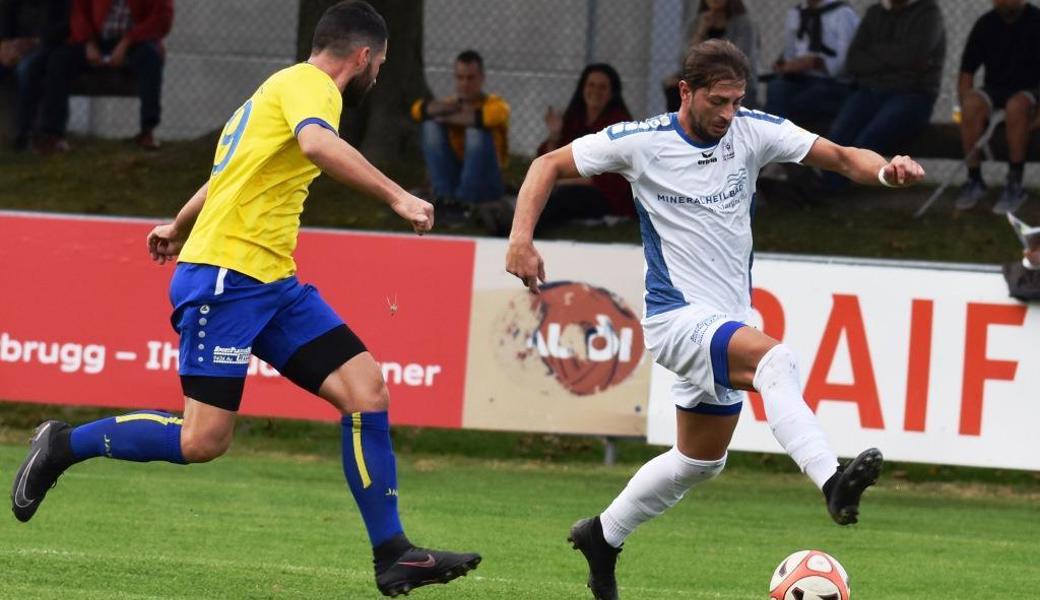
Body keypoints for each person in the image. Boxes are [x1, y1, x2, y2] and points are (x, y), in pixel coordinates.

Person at [10, 2, 480, 596]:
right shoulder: (313, 87)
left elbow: (226, 175)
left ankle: (394, 554)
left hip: (271, 282)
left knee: (367, 390)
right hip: (227, 281)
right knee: (202, 440)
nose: (377, 76)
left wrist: (178, 225)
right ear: (362, 57)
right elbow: (316, 146)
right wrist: (398, 197)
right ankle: (62, 444)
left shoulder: (273, 91)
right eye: (380, 66)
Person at [506, 39, 924, 600]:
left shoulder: (752, 130)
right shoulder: (641, 141)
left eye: (736, 101)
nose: (728, 114)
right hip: (676, 320)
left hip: (726, 319)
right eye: (718, 101)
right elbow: (546, 165)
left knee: (699, 461)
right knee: (776, 360)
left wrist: (886, 173)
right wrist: (521, 239)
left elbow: (847, 158)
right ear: (686, 91)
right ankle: (831, 481)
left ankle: (603, 535)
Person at [822, 0, 945, 189]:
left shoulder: (929, 13)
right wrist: (896, 59)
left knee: (869, 139)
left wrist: (874, 54)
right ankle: (828, 189)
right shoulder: (875, 12)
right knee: (838, 134)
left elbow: (913, 58)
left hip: (913, 95)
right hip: (870, 91)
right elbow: (854, 60)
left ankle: (840, 190)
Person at [37, 0, 173, 154]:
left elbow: (162, 19)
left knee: (151, 59)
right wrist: (87, 42)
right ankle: (54, 135)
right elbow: (79, 13)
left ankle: (147, 131)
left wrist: (128, 40)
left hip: (136, 41)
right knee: (59, 60)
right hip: (96, 39)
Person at [954, 0, 1040, 214]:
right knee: (972, 104)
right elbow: (966, 73)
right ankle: (974, 178)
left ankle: (1015, 183)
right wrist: (963, 108)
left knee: (1016, 106)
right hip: (995, 89)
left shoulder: (1037, 21)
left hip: (1032, 90)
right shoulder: (985, 24)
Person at [410, 49, 509, 222]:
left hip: (488, 178)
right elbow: (417, 110)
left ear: (482, 78)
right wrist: (452, 111)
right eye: (460, 78)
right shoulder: (450, 103)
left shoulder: (497, 104)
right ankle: (445, 199)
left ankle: (465, 203)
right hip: (455, 174)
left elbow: (482, 118)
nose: (465, 84)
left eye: (470, 78)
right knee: (430, 126)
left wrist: (445, 116)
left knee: (475, 131)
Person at [536, 63, 634, 231]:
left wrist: (558, 180)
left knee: (562, 198)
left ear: (612, 93)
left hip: (605, 197)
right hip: (567, 184)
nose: (596, 91)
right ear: (582, 88)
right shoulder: (575, 117)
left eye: (603, 87)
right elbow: (548, 160)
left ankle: (512, 229)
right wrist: (554, 135)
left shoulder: (619, 124)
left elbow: (606, 177)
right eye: (591, 85)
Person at [762, 0, 859, 125]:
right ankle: (771, 138)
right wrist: (785, 65)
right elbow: (790, 52)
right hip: (800, 78)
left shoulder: (843, 14)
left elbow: (847, 62)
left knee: (806, 98)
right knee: (776, 88)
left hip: (833, 83)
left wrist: (816, 63)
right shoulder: (796, 13)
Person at [664, 0, 758, 111]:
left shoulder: (743, 23)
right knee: (673, 85)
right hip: (700, 78)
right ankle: (680, 127)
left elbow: (739, 59)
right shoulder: (696, 22)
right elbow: (685, 59)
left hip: (731, 77)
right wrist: (702, 29)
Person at [0, 0, 70, 151]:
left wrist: (36, 41)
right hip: (14, 47)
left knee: (26, 70)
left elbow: (65, 27)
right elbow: (5, 21)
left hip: (44, 47)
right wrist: (5, 45)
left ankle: (24, 131)